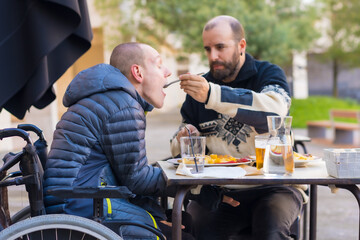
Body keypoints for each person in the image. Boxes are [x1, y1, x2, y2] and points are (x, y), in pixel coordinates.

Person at [170, 16, 304, 240]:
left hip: (275, 186)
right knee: (195, 230)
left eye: (220, 47)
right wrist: (186, 138)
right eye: (208, 49)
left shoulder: (268, 73)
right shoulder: (198, 90)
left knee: (271, 231)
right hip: (222, 191)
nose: (213, 56)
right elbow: (180, 150)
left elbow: (275, 111)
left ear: (241, 45)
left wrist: (213, 95)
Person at [43, 42, 194, 240]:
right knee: (181, 234)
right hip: (82, 204)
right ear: (138, 73)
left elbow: (130, 173)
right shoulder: (123, 106)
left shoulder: (113, 98)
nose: (167, 72)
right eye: (159, 65)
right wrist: (192, 181)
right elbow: (137, 179)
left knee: (184, 222)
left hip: (81, 196)